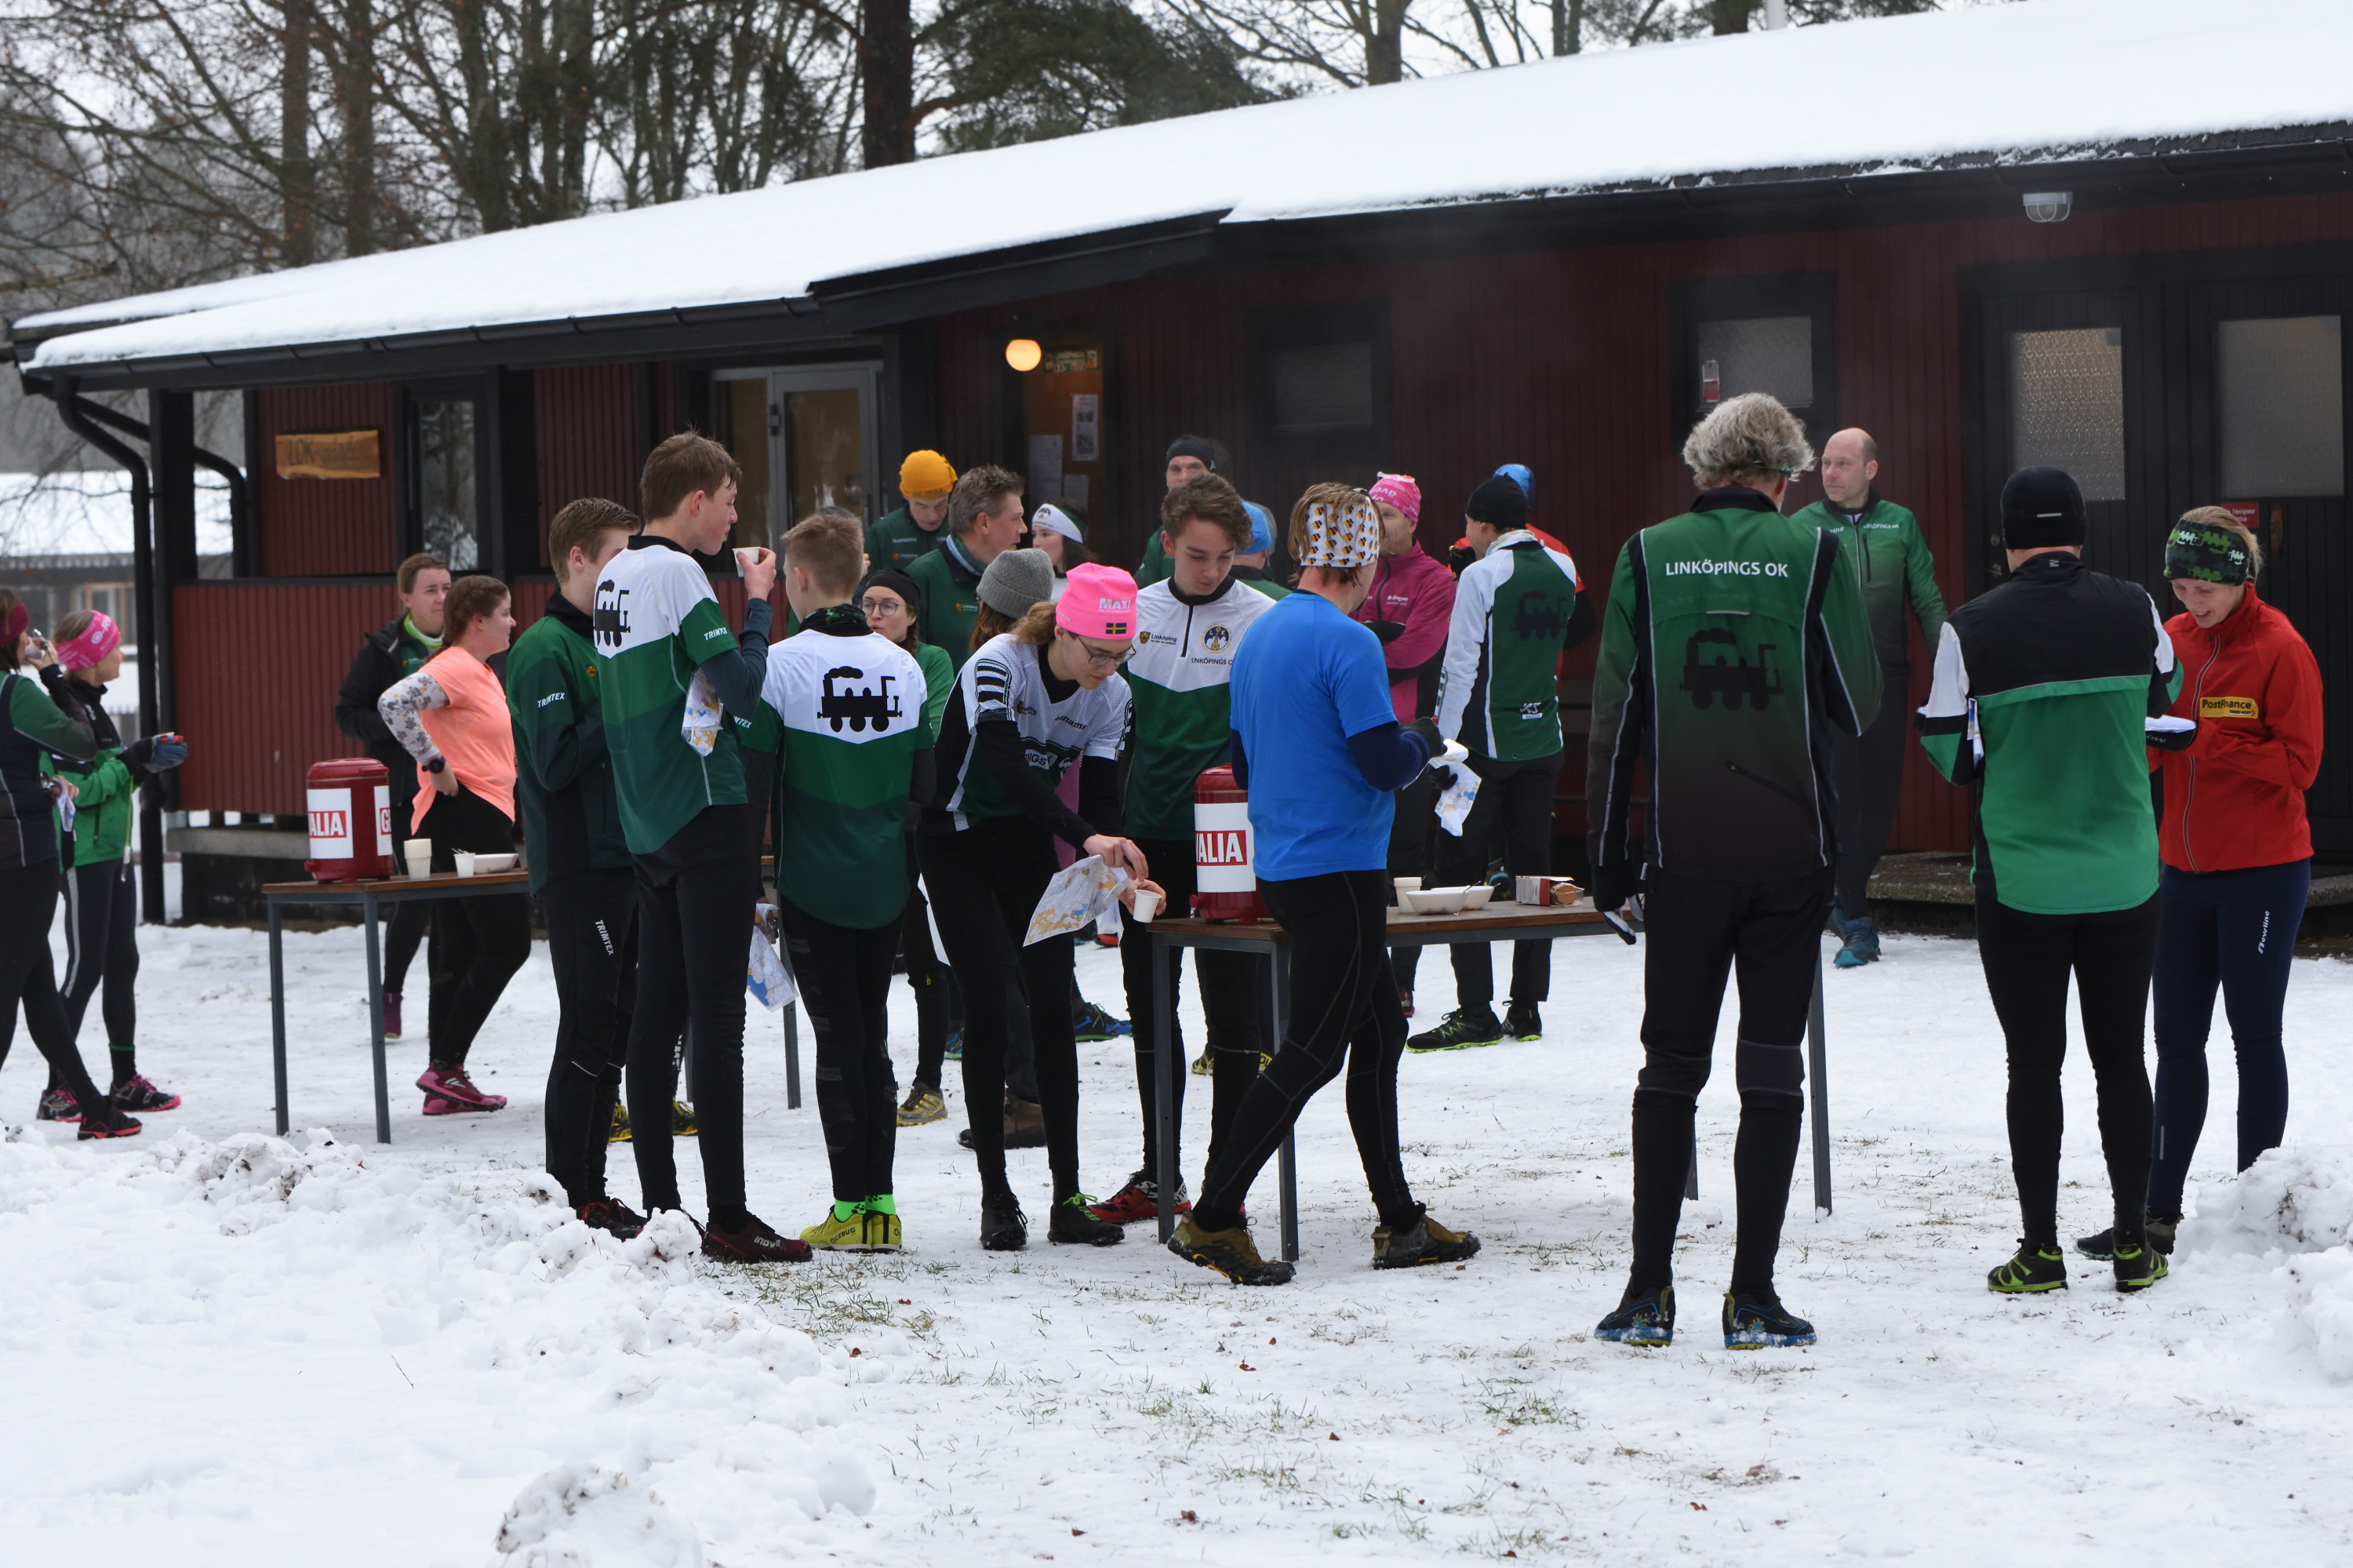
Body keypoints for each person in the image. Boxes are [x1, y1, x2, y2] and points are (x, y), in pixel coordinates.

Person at [1584, 393, 1880, 1349]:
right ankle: (1752, 1295)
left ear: (1703, 467)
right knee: (1770, 1068)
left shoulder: (1645, 553)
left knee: (1671, 1065)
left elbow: (1615, 717)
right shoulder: (1815, 552)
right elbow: (1859, 702)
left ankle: (1646, 1295)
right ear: (1784, 474)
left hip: (1683, 848)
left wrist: (1605, 853)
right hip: (1791, 848)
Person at [1168, 483, 1477, 1286]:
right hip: (1340, 866)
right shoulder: (1350, 642)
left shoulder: (1259, 635)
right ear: (1364, 564)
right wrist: (1424, 739)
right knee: (1311, 1051)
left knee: (1379, 1033)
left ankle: (1401, 1220)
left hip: (1283, 863)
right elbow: (1381, 763)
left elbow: (1243, 764)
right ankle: (1214, 1217)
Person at [1918, 466, 2181, 1297]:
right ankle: (2134, 1245)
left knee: (2033, 1064)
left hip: (2023, 878)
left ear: (2007, 542)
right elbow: (2167, 697)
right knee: (2122, 1060)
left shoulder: (1969, 626)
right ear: (2080, 531)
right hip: (2125, 872)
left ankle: (2039, 1252)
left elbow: (1947, 751)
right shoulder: (2135, 606)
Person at [2083, 509, 2322, 1262]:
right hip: (2181, 874)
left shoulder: (2281, 647)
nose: (2193, 602)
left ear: (2240, 578)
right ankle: (2154, 1211)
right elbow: (2154, 747)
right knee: (2175, 1042)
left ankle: (2256, 1206)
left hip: (2263, 873)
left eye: (2206, 590)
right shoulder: (2173, 640)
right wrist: (2141, 748)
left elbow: (2301, 766)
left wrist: (2205, 740)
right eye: (2181, 588)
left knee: (2255, 1036)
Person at [595, 431, 804, 1263]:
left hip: (647, 816)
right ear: (694, 500)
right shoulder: (680, 573)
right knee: (716, 1017)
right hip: (705, 806)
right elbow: (743, 691)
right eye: (728, 502)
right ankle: (729, 1216)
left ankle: (665, 1207)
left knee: (658, 1013)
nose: (732, 518)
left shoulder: (614, 572)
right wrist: (756, 604)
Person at [921, 562, 1150, 1251]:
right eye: (1097, 653)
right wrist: (1087, 836)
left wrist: (1116, 864)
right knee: (988, 1005)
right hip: (955, 839)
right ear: (1062, 631)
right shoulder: (1001, 662)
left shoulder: (1113, 695)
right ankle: (996, 1194)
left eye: (1120, 655)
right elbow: (1006, 768)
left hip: (1025, 842)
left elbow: (1102, 795)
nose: (1107, 669)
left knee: (1053, 1005)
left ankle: (1067, 1197)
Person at [1092, 473, 1275, 1226]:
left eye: (1226, 556)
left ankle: (1224, 1182)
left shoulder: (1263, 618)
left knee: (1233, 1017)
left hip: (1229, 841)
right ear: (1167, 543)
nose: (1211, 570)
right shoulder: (1133, 612)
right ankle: (1159, 1174)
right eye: (1197, 554)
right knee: (1149, 1007)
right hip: (1147, 840)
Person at [760, 510, 933, 1250]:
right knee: (874, 1041)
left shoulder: (779, 664)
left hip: (814, 881)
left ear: (797, 578)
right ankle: (881, 1208)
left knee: (838, 1043)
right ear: (860, 573)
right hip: (885, 880)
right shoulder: (906, 664)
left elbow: (758, 784)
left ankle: (849, 1207)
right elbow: (924, 789)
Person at [1412, 474, 1591, 1052]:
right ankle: (1528, 1006)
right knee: (1534, 875)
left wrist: (1442, 741)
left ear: (1485, 525)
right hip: (1543, 740)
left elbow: (1461, 663)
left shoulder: (1480, 575)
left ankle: (1476, 1011)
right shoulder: (1562, 567)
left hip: (1484, 745)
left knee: (1458, 869)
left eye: (1469, 524)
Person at [508, 498, 642, 1235]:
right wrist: (619, 702)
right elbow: (556, 762)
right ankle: (572, 1190)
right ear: (578, 559)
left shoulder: (611, 640)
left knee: (617, 1025)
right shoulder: (544, 647)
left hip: (627, 857)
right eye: (617, 556)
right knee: (589, 1024)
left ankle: (592, 1186)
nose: (627, 571)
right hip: (577, 864)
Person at [1789, 428, 1947, 969]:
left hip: (1887, 682)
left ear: (1871, 469)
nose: (1831, 474)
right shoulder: (1802, 527)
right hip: (1828, 685)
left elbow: (1927, 600)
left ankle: (1840, 896)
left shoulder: (1899, 523)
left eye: (1843, 464)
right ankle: (1857, 922)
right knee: (1842, 798)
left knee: (1880, 805)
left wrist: (1952, 668)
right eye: (1825, 464)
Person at [379, 575, 531, 1116]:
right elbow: (394, 702)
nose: (514, 622)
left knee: (459, 947)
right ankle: (445, 1064)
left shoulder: (482, 672)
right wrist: (435, 762)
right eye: (505, 613)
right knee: (509, 943)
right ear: (477, 620)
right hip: (466, 816)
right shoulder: (456, 667)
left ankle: (444, 1080)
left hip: (473, 817)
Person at [0, 591, 141, 1138]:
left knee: (39, 990)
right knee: (12, 987)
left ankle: (94, 1108)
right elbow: (81, 742)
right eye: (22, 631)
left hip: (12, 855)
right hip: (25, 858)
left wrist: (40, 784)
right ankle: (93, 1106)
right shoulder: (15, 692)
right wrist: (53, 675)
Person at [42, 609, 184, 1118]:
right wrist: (132, 759)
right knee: (84, 969)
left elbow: (112, 777)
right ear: (90, 657)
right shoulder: (62, 712)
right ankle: (57, 1089)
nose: (121, 655)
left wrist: (145, 766)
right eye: (114, 647)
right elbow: (77, 792)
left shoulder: (94, 705)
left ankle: (125, 1080)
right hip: (82, 856)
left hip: (114, 853)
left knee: (123, 962)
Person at [336, 551, 451, 1042]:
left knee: (452, 898)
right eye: (431, 590)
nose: (442, 598)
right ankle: (390, 995)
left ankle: (446, 1000)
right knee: (418, 895)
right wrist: (398, 724)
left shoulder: (465, 643)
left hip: (458, 786)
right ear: (406, 598)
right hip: (406, 792)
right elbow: (347, 713)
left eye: (447, 588)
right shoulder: (384, 650)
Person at [1351, 474, 1456, 1018]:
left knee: (1405, 862)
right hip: (1351, 732)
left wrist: (1362, 641)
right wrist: (1378, 635)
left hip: (1407, 735)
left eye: (1387, 514)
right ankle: (1361, 973)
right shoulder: (1355, 570)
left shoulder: (1436, 579)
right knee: (1355, 858)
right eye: (1370, 512)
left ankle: (1401, 981)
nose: (1376, 523)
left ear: (1412, 521)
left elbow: (1416, 652)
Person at [859, 566, 958, 1129]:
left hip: (919, 825)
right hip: (866, 824)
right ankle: (874, 1074)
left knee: (924, 956)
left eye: (888, 606)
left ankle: (929, 1082)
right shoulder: (850, 656)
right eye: (868, 604)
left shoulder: (932, 661)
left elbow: (933, 730)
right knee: (868, 958)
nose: (875, 615)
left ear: (912, 615)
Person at [909, 464, 1028, 668]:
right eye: (1016, 518)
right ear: (984, 523)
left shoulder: (1017, 581)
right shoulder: (921, 578)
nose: (1023, 528)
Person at [1134, 437, 1220, 587]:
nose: (1184, 477)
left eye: (1194, 468)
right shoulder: (1159, 540)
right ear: (1166, 478)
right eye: (1176, 469)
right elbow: (1141, 592)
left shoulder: (1236, 525)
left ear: (1213, 476)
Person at [864, 450, 959, 573]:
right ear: (905, 495)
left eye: (941, 504)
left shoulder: (964, 527)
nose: (933, 516)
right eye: (922, 506)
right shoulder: (882, 534)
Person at [1030, 502, 1089, 577]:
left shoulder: (1091, 582)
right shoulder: (1038, 582)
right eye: (1034, 535)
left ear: (1069, 538)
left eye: (1045, 534)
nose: (1036, 543)